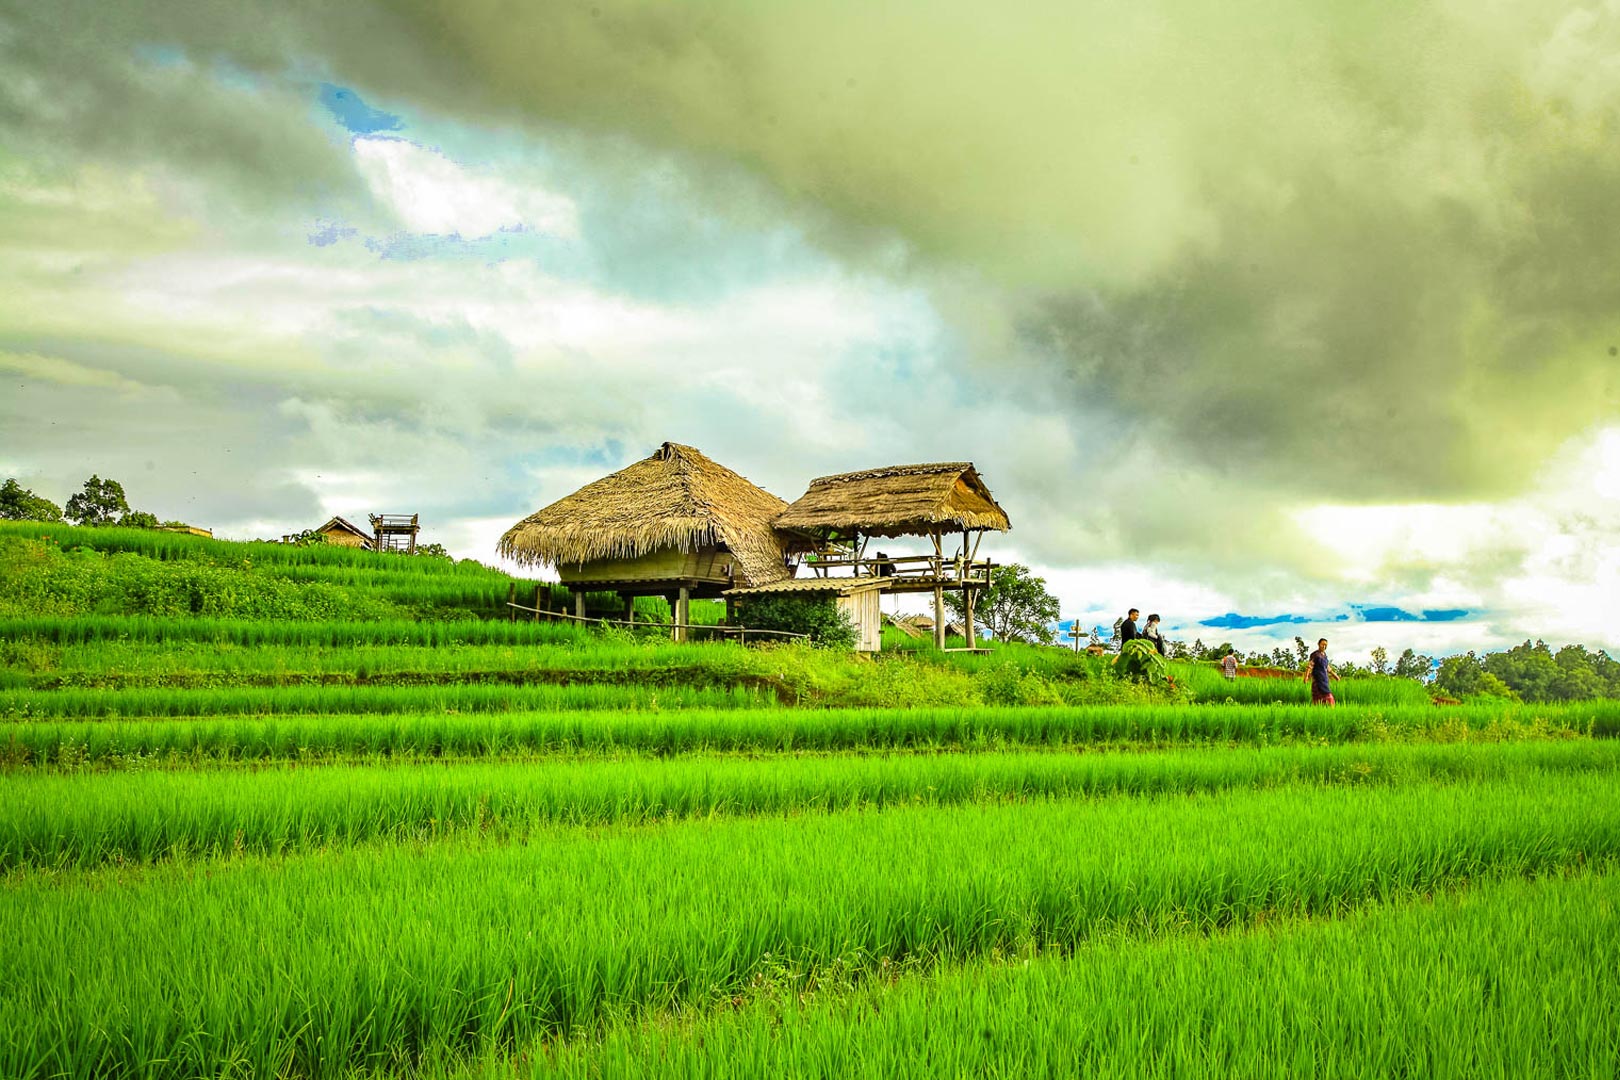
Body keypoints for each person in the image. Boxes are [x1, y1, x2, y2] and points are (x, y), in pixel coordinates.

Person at [1306, 637, 1340, 706]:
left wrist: (1335, 676)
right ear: (1318, 644)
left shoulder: (1325, 656)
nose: (1324, 646)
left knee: (1328, 700)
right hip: (1317, 681)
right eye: (1323, 644)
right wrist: (1306, 676)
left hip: (1324, 680)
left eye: (1326, 645)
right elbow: (1310, 666)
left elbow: (1328, 668)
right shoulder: (1315, 654)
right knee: (1318, 701)